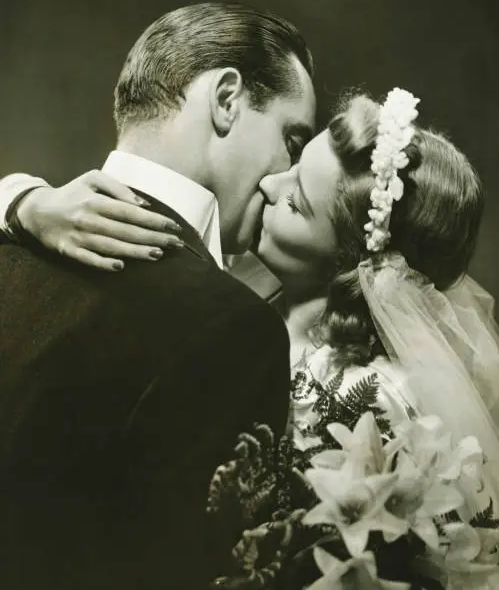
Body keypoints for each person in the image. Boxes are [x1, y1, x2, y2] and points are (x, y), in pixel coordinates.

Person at [5, 88, 499, 505]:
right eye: (294, 163)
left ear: (353, 266)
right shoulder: (228, 286)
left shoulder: (380, 402)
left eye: (296, 200)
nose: (267, 183)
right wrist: (23, 200)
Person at [0, 2, 316, 590]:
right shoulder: (233, 327)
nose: (282, 180)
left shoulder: (14, 236)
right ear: (226, 100)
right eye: (291, 140)